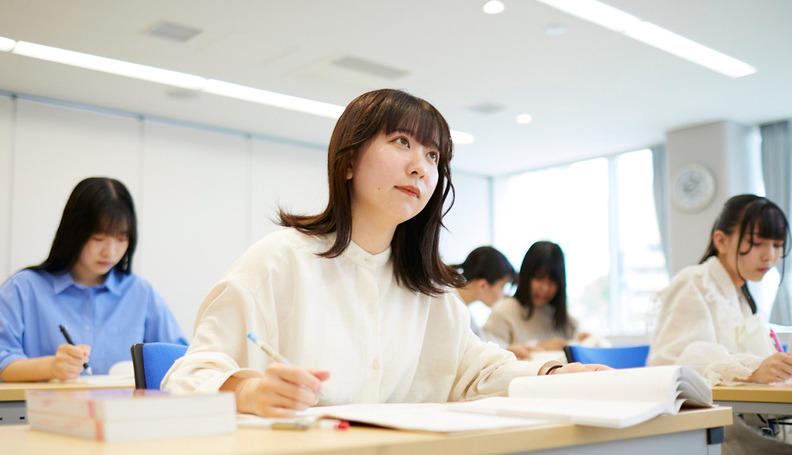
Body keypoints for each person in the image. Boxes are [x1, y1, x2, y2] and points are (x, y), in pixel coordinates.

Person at [162, 89, 609, 417]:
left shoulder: (430, 290)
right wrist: (248, 390)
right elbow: (189, 373)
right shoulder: (280, 261)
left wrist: (552, 376)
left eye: (433, 156)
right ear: (349, 161)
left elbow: (477, 370)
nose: (421, 167)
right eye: (401, 142)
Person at [647, 194, 792, 455]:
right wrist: (751, 370)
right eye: (758, 243)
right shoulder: (695, 283)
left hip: (735, 429)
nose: (770, 256)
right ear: (721, 241)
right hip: (701, 439)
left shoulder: (741, 295)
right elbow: (672, 365)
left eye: (777, 245)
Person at [0, 177, 187, 381]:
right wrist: (51, 367)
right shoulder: (23, 289)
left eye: (122, 238)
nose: (111, 252)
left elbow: (182, 360)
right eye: (99, 238)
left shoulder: (140, 293)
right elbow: (3, 360)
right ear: (73, 232)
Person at [483, 241, 586, 351]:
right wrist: (538, 348)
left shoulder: (565, 320)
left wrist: (585, 342)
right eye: (539, 278)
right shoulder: (503, 313)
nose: (545, 288)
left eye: (552, 281)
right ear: (526, 276)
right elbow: (490, 357)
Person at [451, 246, 540, 359]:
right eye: (502, 286)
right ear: (482, 285)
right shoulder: (452, 308)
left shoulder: (461, 307)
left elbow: (480, 343)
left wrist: (509, 349)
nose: (502, 294)